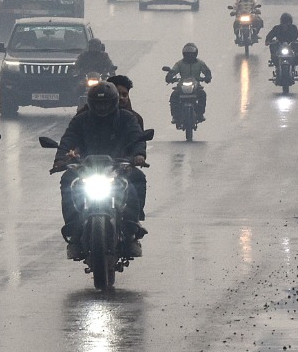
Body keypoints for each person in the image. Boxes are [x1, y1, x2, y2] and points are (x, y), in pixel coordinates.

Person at [53, 82, 149, 259]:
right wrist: (60, 159)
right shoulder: (81, 120)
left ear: (113, 102)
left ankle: (131, 229)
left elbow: (137, 138)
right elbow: (68, 138)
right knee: (67, 180)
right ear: (91, 103)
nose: (102, 107)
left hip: (119, 168)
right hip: (86, 168)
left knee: (137, 179)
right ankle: (74, 232)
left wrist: (138, 155)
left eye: (106, 103)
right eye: (98, 104)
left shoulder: (127, 118)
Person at [164, 43, 213, 120]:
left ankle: (200, 114)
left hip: (196, 86)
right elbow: (173, 71)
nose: (189, 56)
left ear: (195, 54)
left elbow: (207, 71)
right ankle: (175, 116)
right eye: (187, 54)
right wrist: (169, 76)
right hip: (181, 86)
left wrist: (207, 77)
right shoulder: (179, 64)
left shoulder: (200, 63)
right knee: (174, 95)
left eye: (191, 54)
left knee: (202, 94)